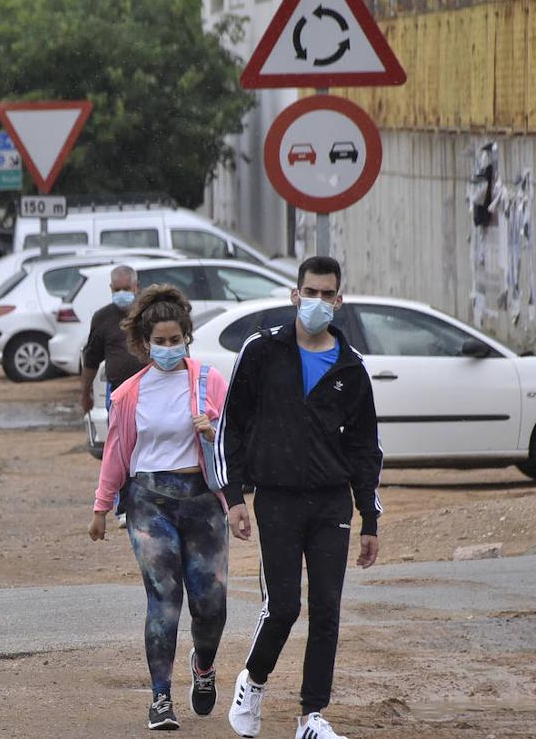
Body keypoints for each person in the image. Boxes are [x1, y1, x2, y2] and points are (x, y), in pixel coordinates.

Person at [215, 256, 383, 739]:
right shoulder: (262, 350)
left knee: (327, 608)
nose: (317, 302)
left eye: (326, 294)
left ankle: (311, 717)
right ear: (295, 295)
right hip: (277, 500)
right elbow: (233, 426)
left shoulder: (351, 368)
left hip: (331, 503)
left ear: (338, 300)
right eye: (310, 292)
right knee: (284, 606)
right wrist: (234, 497)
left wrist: (368, 517)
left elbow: (365, 448)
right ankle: (254, 681)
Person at [87, 284, 231, 731]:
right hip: (149, 502)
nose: (168, 348)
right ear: (144, 343)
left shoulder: (211, 381)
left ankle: (203, 667)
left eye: (176, 339)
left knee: (210, 604)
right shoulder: (129, 394)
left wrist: (214, 433)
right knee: (163, 599)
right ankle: (160, 698)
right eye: (160, 341)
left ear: (187, 336)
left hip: (203, 500)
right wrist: (101, 506)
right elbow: (116, 452)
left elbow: (237, 443)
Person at [79, 265, 143, 528]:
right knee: (119, 448)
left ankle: (144, 502)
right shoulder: (103, 317)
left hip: (148, 389)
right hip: (117, 391)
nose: (123, 294)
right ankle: (123, 506)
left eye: (127, 289)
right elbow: (91, 358)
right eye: (117, 290)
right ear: (110, 290)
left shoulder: (147, 314)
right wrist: (85, 391)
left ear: (136, 288)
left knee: (145, 447)